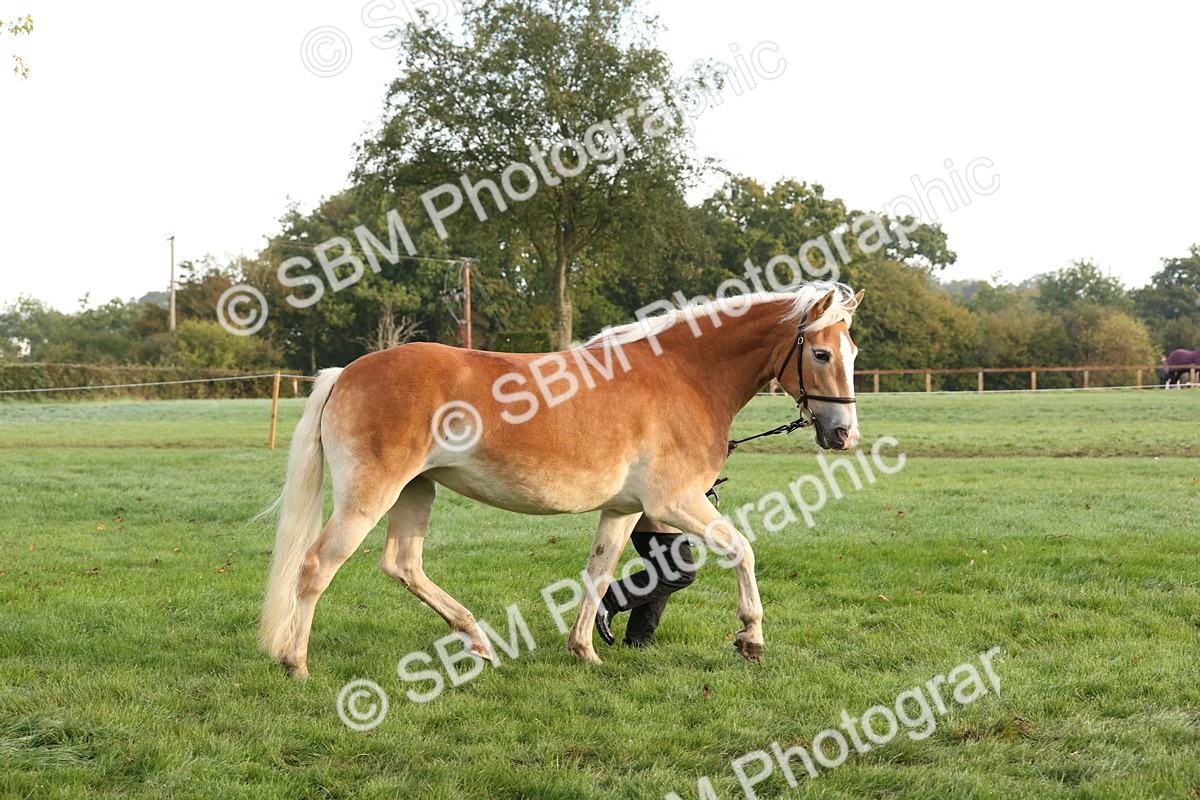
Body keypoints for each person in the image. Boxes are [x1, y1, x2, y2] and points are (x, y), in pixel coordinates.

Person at [594, 516, 696, 647]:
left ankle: (638, 640)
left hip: (657, 522)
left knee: (663, 575)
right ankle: (610, 599)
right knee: (680, 572)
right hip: (659, 521)